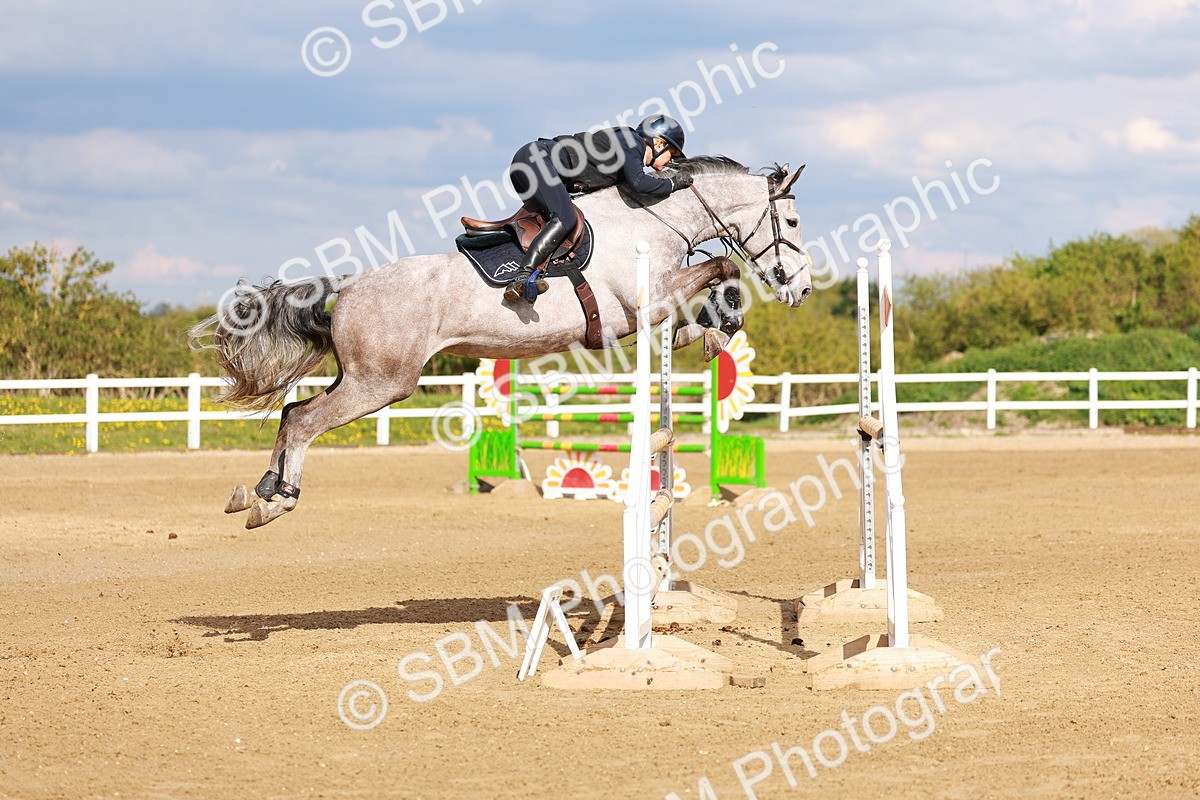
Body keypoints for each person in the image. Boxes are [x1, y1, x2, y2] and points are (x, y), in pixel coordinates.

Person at [502, 114, 694, 304]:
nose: (671, 161)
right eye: (673, 153)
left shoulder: (626, 149)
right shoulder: (633, 142)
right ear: (659, 144)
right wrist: (672, 184)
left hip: (530, 161)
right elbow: (639, 183)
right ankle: (523, 275)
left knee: (549, 224)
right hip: (538, 161)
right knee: (565, 218)